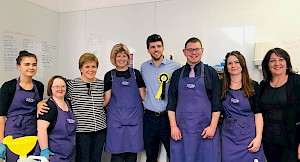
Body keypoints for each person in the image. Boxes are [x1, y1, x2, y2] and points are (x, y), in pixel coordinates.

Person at [38, 53, 106, 162]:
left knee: (96, 159)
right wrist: (40, 104)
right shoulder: (72, 85)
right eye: (87, 67)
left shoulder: (101, 84)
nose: (91, 70)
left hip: (100, 130)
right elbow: (56, 95)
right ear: (81, 69)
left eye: (93, 66)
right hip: (81, 131)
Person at [167, 37, 221, 162]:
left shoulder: (211, 73)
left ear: (202, 50)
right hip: (181, 132)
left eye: (197, 49)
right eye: (190, 50)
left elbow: (216, 104)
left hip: (205, 130)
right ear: (184, 52)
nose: (194, 53)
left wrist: (212, 127)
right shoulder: (176, 75)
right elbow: (171, 104)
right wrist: (173, 127)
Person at [141, 34, 181, 162]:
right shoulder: (144, 67)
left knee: (173, 154)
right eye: (152, 47)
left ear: (163, 48)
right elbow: (143, 89)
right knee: (151, 156)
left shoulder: (175, 67)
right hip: (150, 118)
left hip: (168, 118)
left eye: (158, 46)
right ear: (148, 50)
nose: (156, 49)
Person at [103, 43, 146, 162]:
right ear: (114, 58)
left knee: (132, 156)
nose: (121, 59)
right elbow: (106, 100)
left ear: (128, 58)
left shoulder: (136, 74)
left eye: (124, 56)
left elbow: (143, 96)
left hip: (135, 122)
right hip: (115, 122)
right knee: (117, 156)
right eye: (118, 56)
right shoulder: (109, 76)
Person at [0, 51, 44, 162]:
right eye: (27, 64)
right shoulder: (8, 87)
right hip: (13, 134)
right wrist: (1, 142)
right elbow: (1, 117)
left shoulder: (39, 86)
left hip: (32, 132)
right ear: (18, 66)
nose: (31, 67)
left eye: (34, 64)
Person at [220, 51, 265, 162]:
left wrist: (258, 138)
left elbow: (258, 114)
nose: (233, 66)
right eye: (230, 63)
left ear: (242, 65)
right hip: (228, 137)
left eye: (236, 62)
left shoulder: (253, 86)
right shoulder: (221, 85)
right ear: (226, 67)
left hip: (249, 137)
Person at [260, 47, 300, 162]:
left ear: (287, 63)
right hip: (269, 141)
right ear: (267, 65)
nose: (277, 63)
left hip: (291, 142)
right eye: (272, 60)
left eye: (281, 59)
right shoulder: (263, 85)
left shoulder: (296, 81)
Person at [36, 75, 77, 161]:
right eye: (56, 87)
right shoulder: (47, 106)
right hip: (53, 155)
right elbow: (41, 129)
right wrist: (44, 149)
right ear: (51, 88)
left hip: (69, 154)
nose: (60, 89)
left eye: (63, 86)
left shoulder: (69, 103)